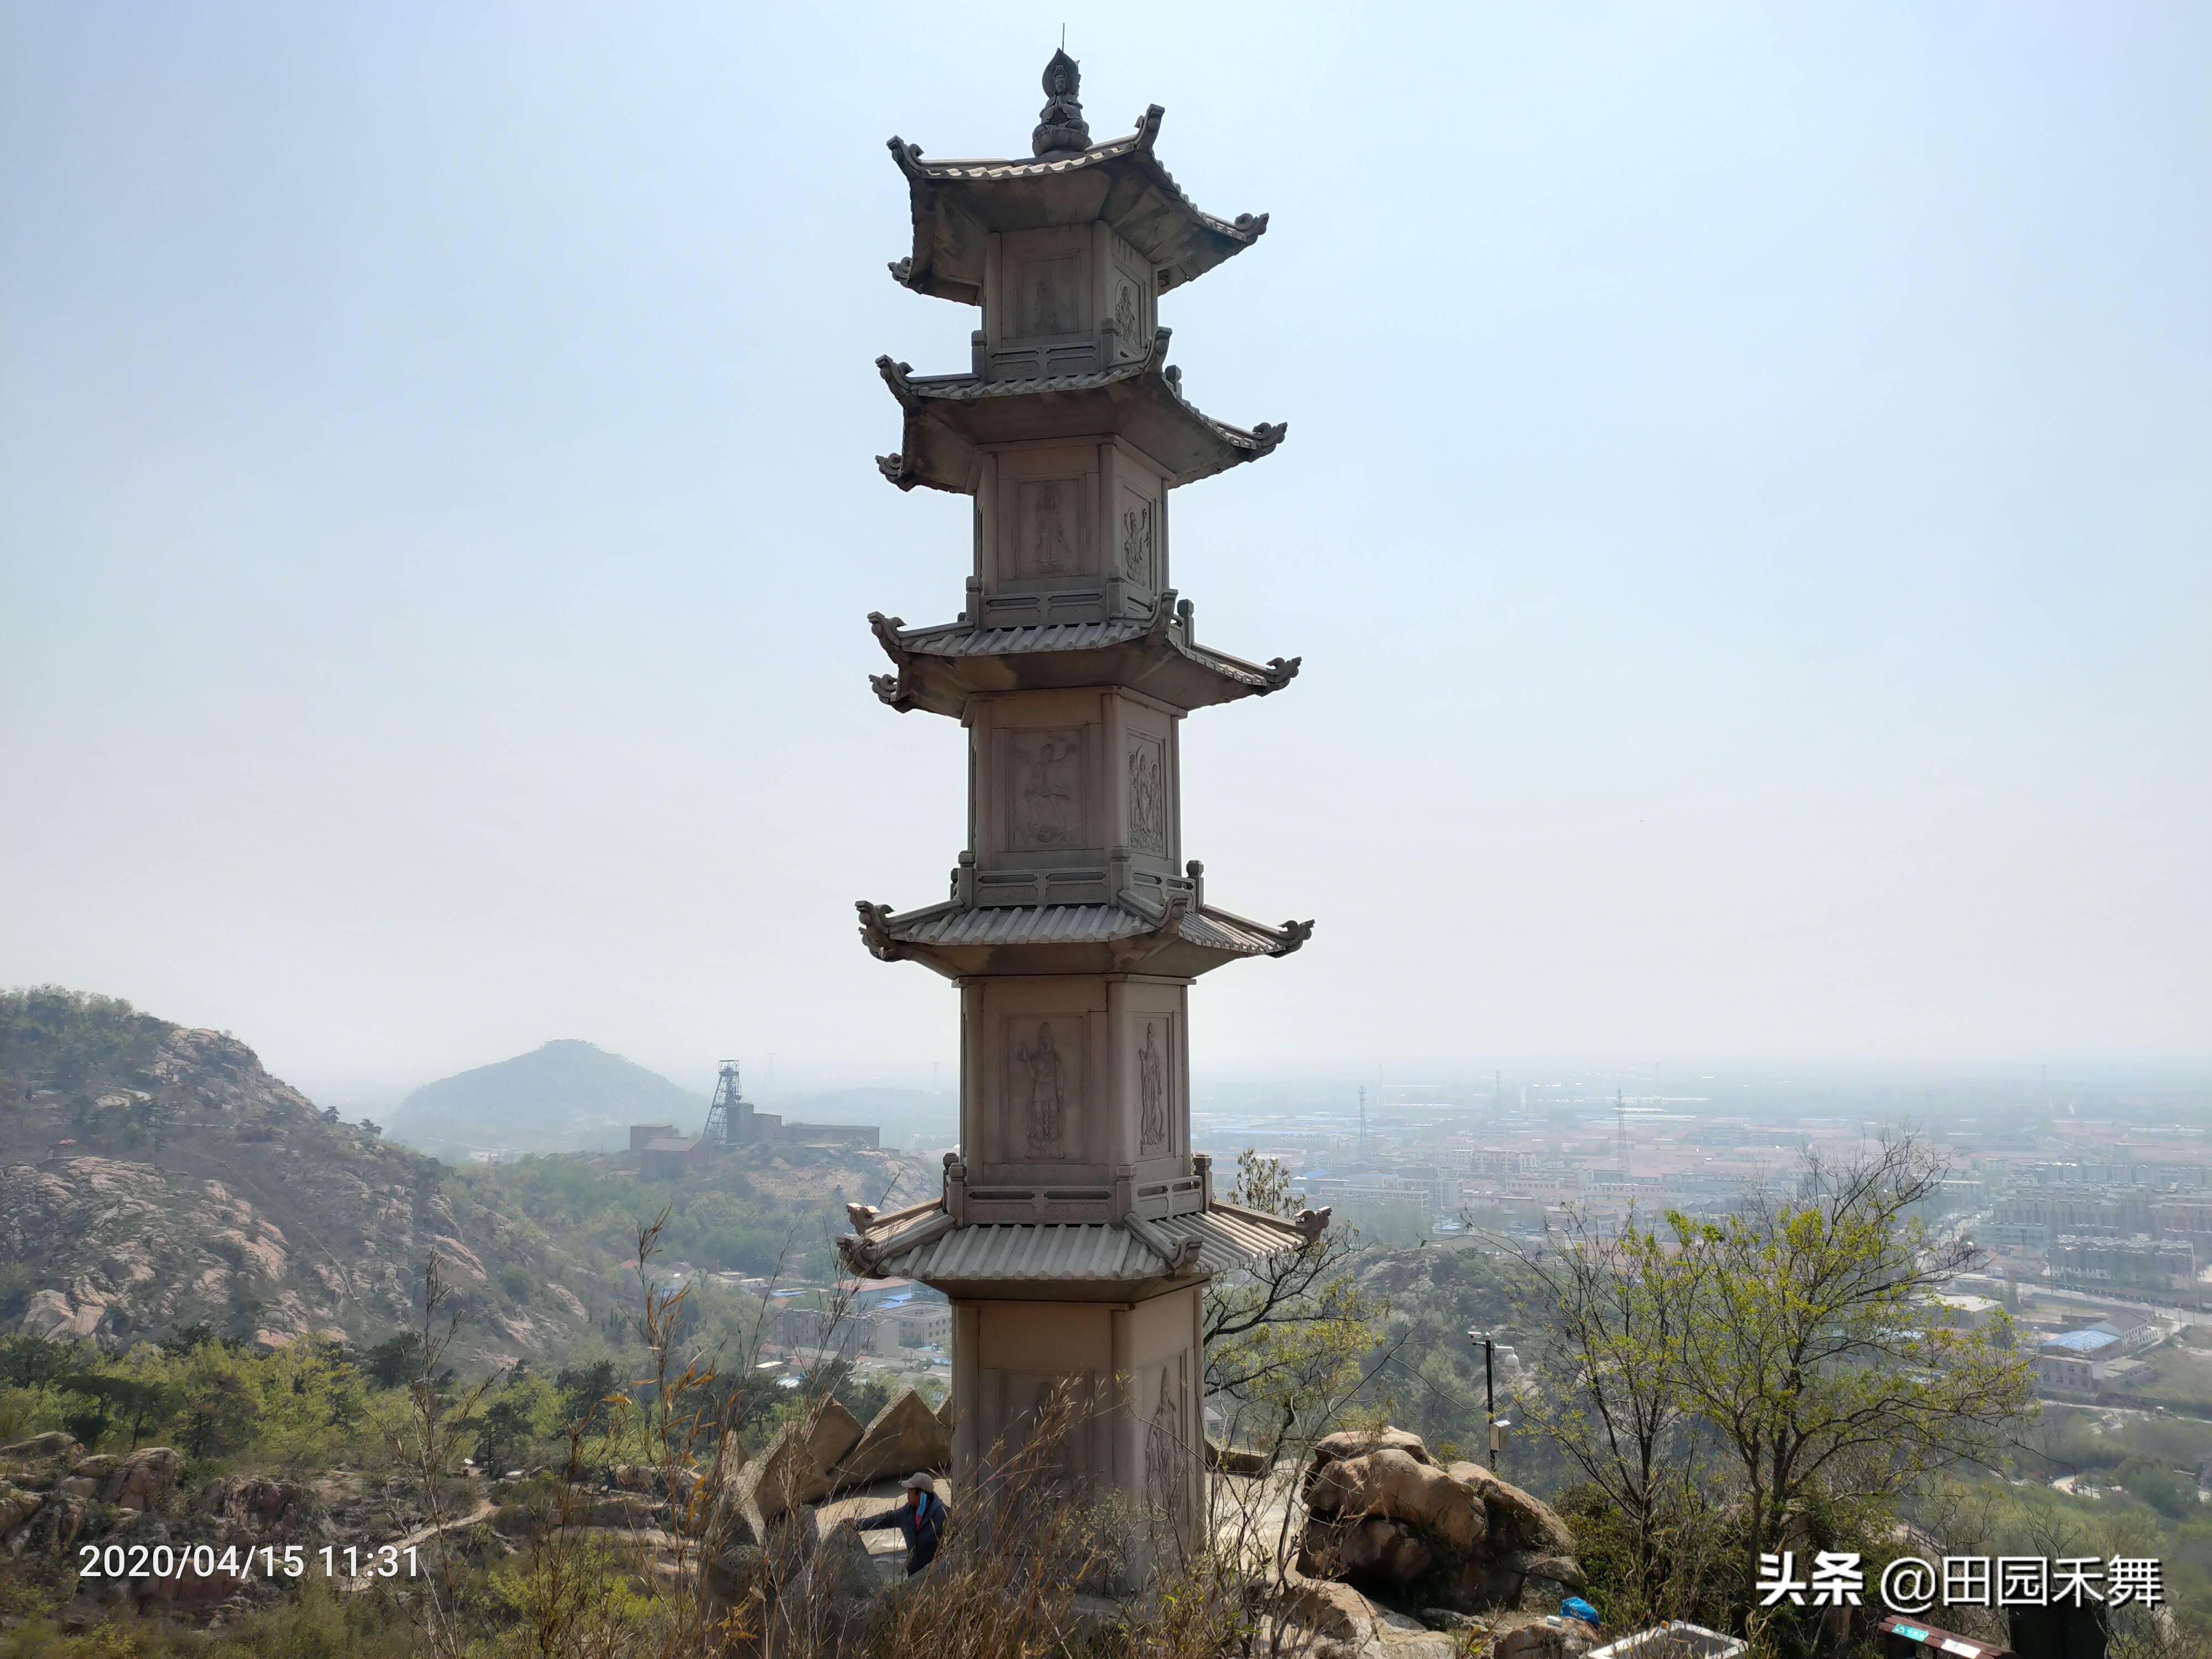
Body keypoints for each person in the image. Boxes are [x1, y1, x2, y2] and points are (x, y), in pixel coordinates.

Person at [854, 1473, 947, 1575]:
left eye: (910, 1490)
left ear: (921, 1494)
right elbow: (884, 1519)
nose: (907, 1493)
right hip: (913, 1577)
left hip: (936, 1578)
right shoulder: (907, 1513)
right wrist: (857, 1524)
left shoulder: (943, 1514)